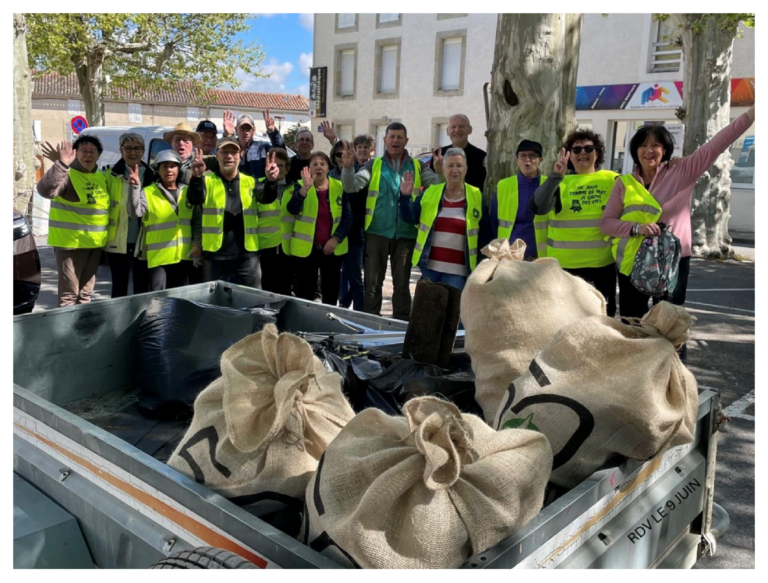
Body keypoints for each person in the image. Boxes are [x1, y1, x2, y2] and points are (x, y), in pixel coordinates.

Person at [602, 104, 757, 323]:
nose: (649, 150)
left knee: (669, 323)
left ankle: (672, 358)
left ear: (664, 149)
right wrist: (636, 228)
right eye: (643, 145)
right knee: (632, 322)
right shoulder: (624, 183)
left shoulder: (682, 171)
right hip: (631, 260)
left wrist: (751, 114)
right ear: (635, 151)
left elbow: (717, 144)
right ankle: (637, 358)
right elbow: (607, 224)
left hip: (672, 261)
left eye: (655, 145)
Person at [341, 122, 443, 320]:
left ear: (406, 140)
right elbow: (351, 186)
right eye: (392, 136)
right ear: (384, 140)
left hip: (406, 232)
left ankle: (401, 326)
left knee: (402, 284)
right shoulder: (374, 164)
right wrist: (347, 168)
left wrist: (439, 171)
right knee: (372, 283)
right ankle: (371, 325)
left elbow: (439, 189)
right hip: (376, 231)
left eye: (399, 137)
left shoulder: (418, 166)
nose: (395, 140)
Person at [532, 130, 619, 317]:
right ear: (569, 155)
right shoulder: (559, 182)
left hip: (602, 267)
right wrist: (555, 176)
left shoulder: (612, 180)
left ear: (598, 153)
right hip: (565, 268)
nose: (582, 153)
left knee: (602, 319)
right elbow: (538, 208)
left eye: (588, 148)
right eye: (576, 149)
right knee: (566, 319)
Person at [186, 137, 280, 288]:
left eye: (233, 152)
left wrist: (271, 181)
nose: (229, 156)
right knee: (217, 305)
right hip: (215, 255)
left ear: (240, 155)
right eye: (224, 152)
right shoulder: (207, 181)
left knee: (252, 302)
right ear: (217, 155)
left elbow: (267, 198)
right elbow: (194, 199)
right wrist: (196, 178)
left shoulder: (250, 181)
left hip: (247, 256)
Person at [37, 136, 110, 307]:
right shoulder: (67, 174)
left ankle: (81, 331)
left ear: (99, 155)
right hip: (70, 245)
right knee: (69, 295)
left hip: (94, 244)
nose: (88, 155)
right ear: (76, 154)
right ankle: (65, 333)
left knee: (85, 294)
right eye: (84, 151)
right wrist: (61, 164)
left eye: (92, 151)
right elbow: (45, 190)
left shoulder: (100, 176)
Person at [399, 148, 485, 290]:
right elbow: (410, 218)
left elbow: (484, 234)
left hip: (458, 272)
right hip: (430, 268)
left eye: (459, 165)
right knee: (428, 309)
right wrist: (405, 197)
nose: (455, 170)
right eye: (450, 166)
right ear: (443, 169)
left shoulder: (477, 196)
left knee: (453, 311)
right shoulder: (431, 192)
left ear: (466, 169)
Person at [283, 152, 353, 304]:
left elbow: (347, 218)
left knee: (331, 291)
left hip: (332, 249)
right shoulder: (300, 186)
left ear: (329, 168)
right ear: (308, 169)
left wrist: (336, 238)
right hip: (308, 249)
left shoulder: (339, 186)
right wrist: (304, 190)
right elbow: (292, 209)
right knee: (305, 292)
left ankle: (328, 324)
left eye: (322, 164)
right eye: (314, 164)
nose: (319, 167)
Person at [127, 150, 195, 291]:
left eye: (172, 166)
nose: (169, 170)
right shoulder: (149, 192)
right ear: (158, 170)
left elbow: (198, 220)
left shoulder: (188, 192)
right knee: (157, 301)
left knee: (178, 300)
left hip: (183, 256)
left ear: (179, 169)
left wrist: (197, 244)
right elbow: (134, 212)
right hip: (159, 257)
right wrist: (134, 187)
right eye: (164, 166)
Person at [104, 132, 154, 297]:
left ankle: (140, 319)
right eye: (128, 148)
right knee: (119, 286)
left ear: (143, 150)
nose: (133, 153)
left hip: (143, 240)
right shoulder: (108, 174)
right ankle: (118, 321)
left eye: (137, 148)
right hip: (117, 239)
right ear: (121, 150)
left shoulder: (152, 174)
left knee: (142, 286)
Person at [489, 139, 548, 260]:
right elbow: (493, 221)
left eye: (532, 155)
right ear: (517, 160)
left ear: (540, 160)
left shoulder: (549, 185)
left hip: (540, 254)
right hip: (508, 254)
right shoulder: (503, 185)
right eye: (523, 156)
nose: (527, 159)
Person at [336, 135, 372, 311]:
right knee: (345, 274)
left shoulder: (369, 170)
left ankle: (359, 311)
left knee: (356, 276)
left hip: (358, 230)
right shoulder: (340, 171)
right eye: (359, 147)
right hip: (339, 230)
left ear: (371, 150)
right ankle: (344, 303)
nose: (362, 150)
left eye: (366, 147)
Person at [256, 147, 293, 295]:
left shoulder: (297, 187)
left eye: (281, 165)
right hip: (264, 246)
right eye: (273, 164)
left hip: (289, 247)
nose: (276, 168)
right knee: (265, 289)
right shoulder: (257, 186)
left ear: (287, 168)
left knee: (286, 290)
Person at [221, 110, 286, 179]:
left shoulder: (263, 148)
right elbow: (219, 155)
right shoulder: (230, 148)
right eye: (242, 129)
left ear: (254, 130)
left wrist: (273, 132)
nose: (245, 132)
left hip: (258, 189)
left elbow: (282, 153)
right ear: (236, 130)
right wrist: (227, 136)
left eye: (248, 129)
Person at [430, 114, 487, 190]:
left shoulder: (482, 157)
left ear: (470, 129)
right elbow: (431, 185)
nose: (457, 130)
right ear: (447, 131)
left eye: (461, 127)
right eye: (453, 127)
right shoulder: (438, 155)